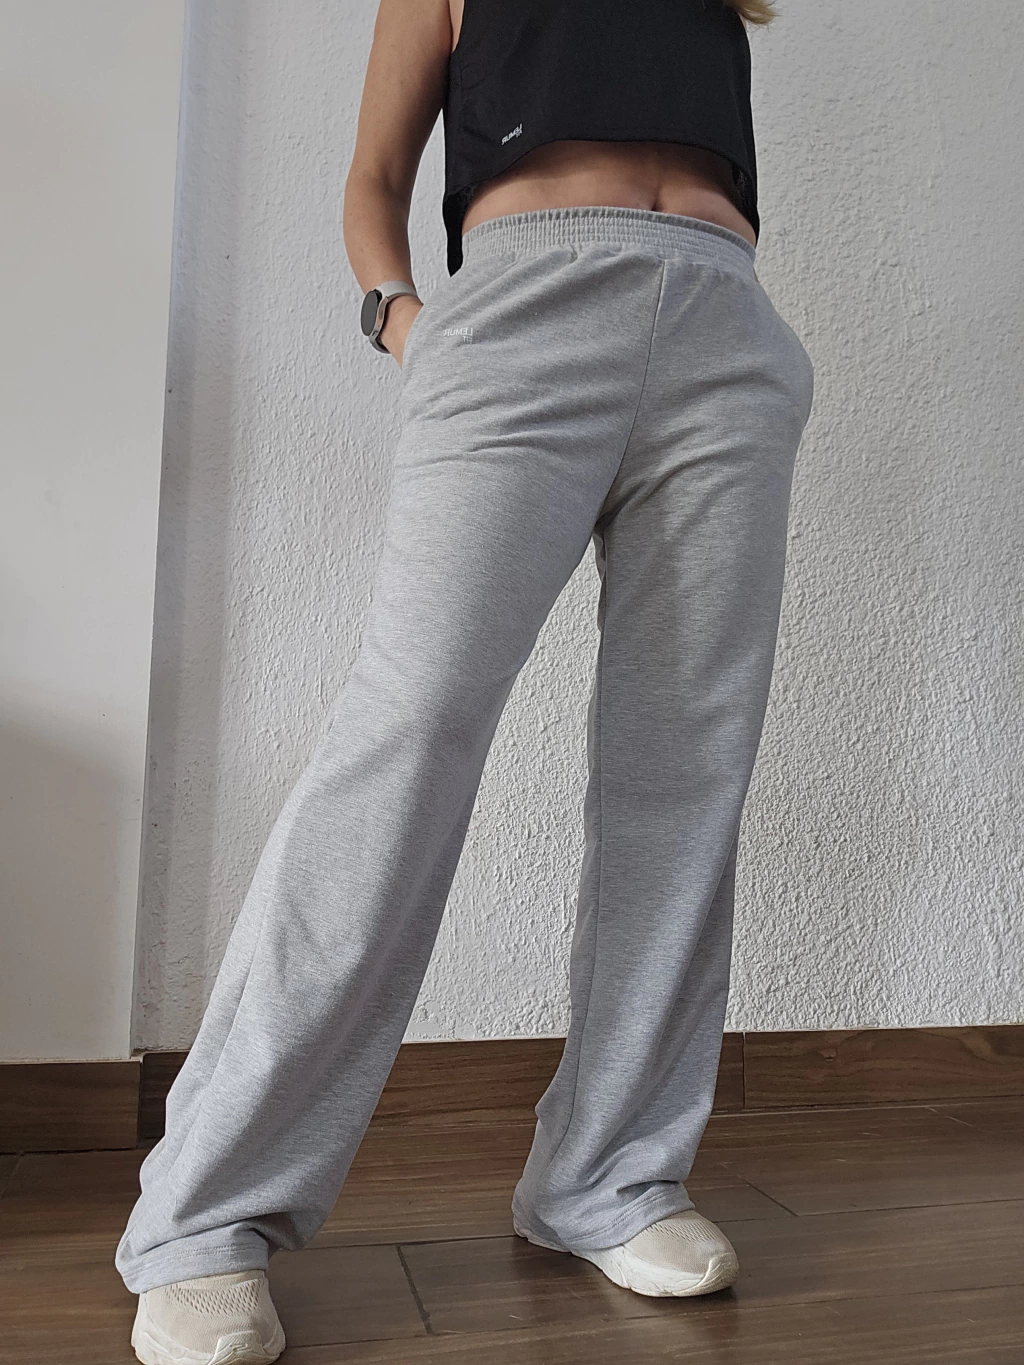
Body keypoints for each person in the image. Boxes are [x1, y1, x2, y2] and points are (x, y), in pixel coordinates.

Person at [118, 0, 814, 1360]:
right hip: (523, 312)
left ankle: (610, 1179)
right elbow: (374, 180)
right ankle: (206, 1218)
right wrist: (404, 322)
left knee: (685, 772)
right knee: (406, 739)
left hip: (724, 333)